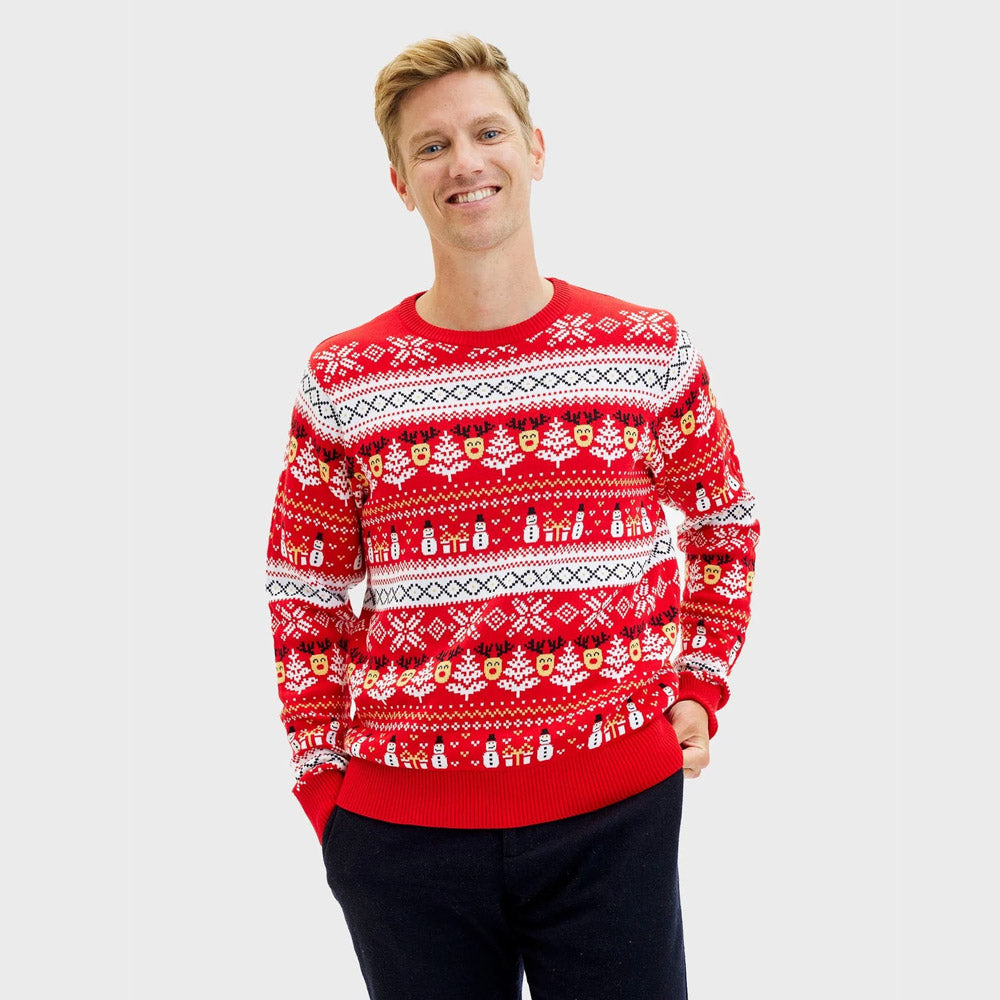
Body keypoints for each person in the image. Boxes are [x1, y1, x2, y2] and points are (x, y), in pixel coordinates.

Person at [264, 34, 760, 1000]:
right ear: (401, 182)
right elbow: (302, 586)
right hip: (402, 839)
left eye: (488, 132)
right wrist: (326, 789)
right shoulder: (345, 378)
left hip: (616, 813)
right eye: (432, 145)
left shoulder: (643, 348)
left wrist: (701, 682)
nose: (465, 161)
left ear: (535, 149)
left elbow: (723, 519)